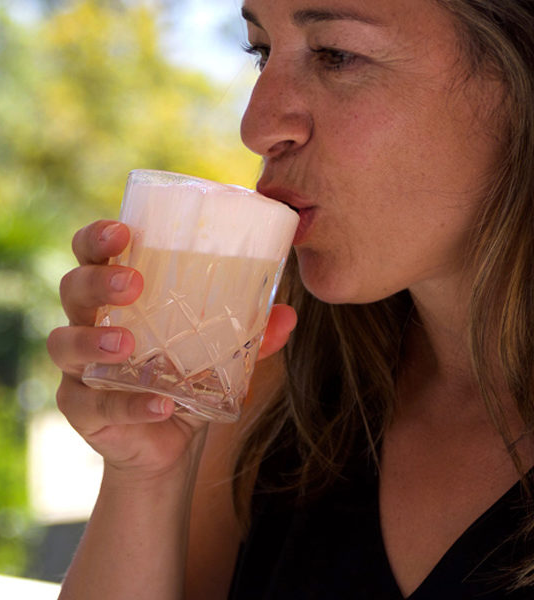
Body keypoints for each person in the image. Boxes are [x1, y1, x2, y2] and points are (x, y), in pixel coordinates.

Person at [46, 0, 534, 597]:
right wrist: (144, 476)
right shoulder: (277, 385)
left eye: (337, 55)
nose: (255, 127)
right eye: (260, 51)